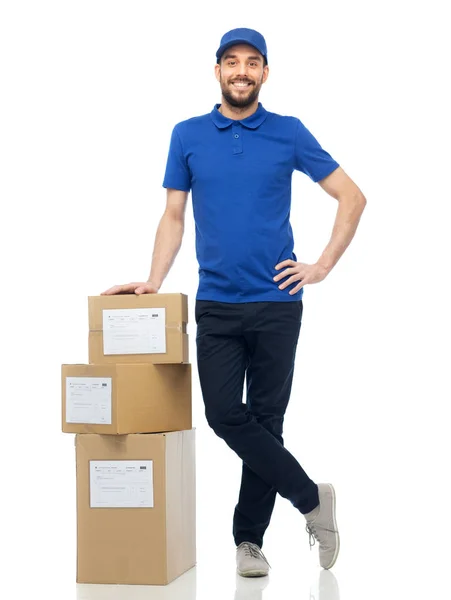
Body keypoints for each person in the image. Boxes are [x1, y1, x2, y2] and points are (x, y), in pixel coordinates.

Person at [102, 27, 366, 577]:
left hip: (277, 302)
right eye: (231, 62)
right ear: (217, 71)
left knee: (266, 422)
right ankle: (311, 498)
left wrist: (320, 266)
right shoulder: (188, 134)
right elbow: (174, 215)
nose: (241, 71)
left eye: (252, 63)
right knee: (226, 416)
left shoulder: (289, 133)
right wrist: (153, 279)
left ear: (265, 73)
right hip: (217, 303)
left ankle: (248, 541)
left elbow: (352, 196)